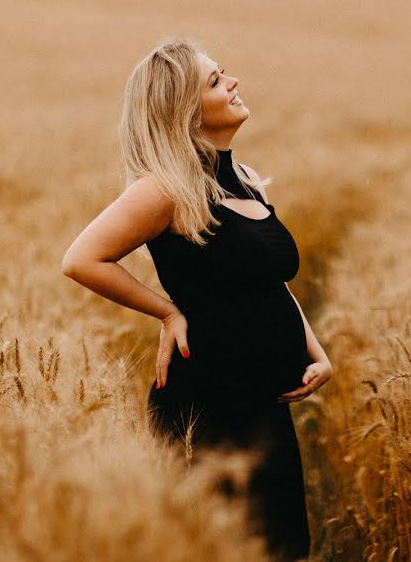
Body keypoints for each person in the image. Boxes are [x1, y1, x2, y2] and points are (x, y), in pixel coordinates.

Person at [61, 37, 333, 561]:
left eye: (223, 73)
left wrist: (314, 351)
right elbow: (82, 259)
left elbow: (269, 283)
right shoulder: (163, 191)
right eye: (215, 81)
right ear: (185, 114)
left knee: (282, 548)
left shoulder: (249, 181)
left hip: (265, 406)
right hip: (207, 405)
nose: (232, 83)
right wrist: (166, 311)